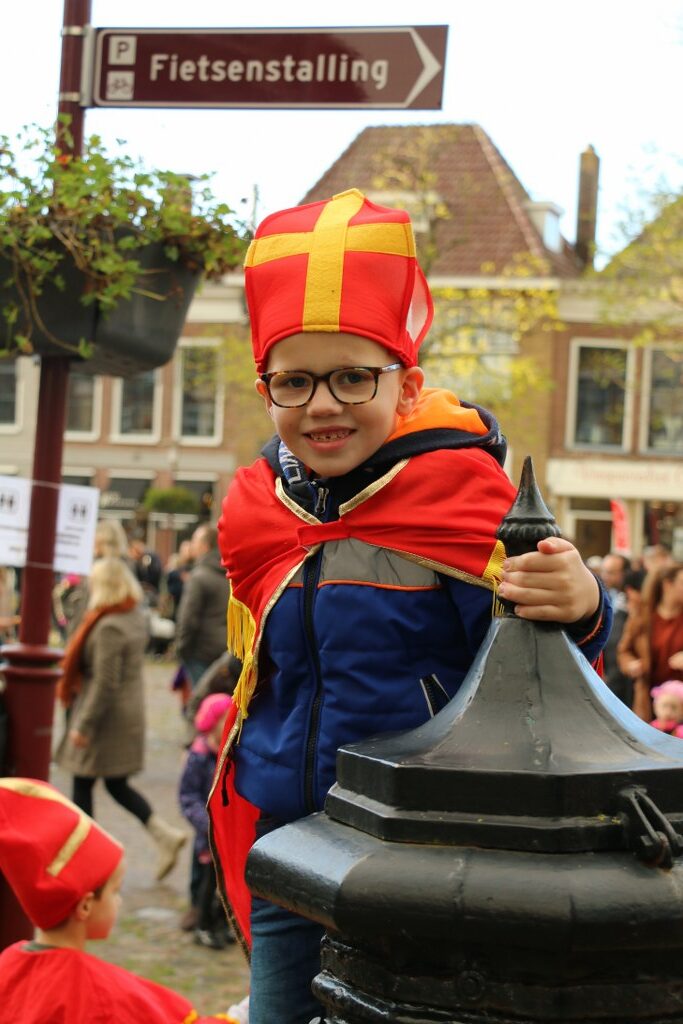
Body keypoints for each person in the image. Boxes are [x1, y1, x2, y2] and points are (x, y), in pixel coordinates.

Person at [208, 189, 612, 1024]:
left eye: (353, 377)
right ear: (267, 391)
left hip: (421, 846)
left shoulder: (461, 493)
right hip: (289, 837)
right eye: (294, 381)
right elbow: (263, 671)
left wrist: (582, 603)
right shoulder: (255, 506)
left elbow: (542, 673)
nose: (323, 403)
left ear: (406, 383)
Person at [0, 777, 247, 1024]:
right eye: (114, 891)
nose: (118, 901)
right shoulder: (104, 992)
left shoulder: (7, 967)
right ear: (85, 906)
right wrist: (242, 1014)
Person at [55, 557, 187, 882]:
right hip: (122, 714)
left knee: (84, 784)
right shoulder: (131, 616)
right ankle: (163, 834)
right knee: (113, 784)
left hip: (106, 719)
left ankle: (87, 859)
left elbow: (105, 682)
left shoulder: (109, 626)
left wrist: (83, 725)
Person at [179, 692, 235, 949]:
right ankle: (203, 924)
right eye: (224, 719)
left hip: (228, 831)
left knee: (227, 882)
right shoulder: (199, 756)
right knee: (207, 881)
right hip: (209, 832)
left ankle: (222, 922)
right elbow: (188, 796)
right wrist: (207, 823)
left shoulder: (230, 752)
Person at [618, 562, 683, 722]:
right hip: (649, 702)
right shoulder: (642, 616)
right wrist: (632, 665)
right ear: (667, 585)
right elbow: (624, 651)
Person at [175, 524, 230, 687]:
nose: (192, 546)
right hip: (225, 650)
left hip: (200, 652)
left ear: (205, 546)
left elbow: (188, 618)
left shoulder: (199, 576)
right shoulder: (228, 574)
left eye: (195, 541)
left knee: (200, 698)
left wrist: (182, 649)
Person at [599, 553, 632, 706]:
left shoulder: (635, 599)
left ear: (624, 574)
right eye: (604, 571)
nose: (605, 576)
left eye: (611, 572)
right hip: (607, 670)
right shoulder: (603, 594)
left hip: (624, 672)